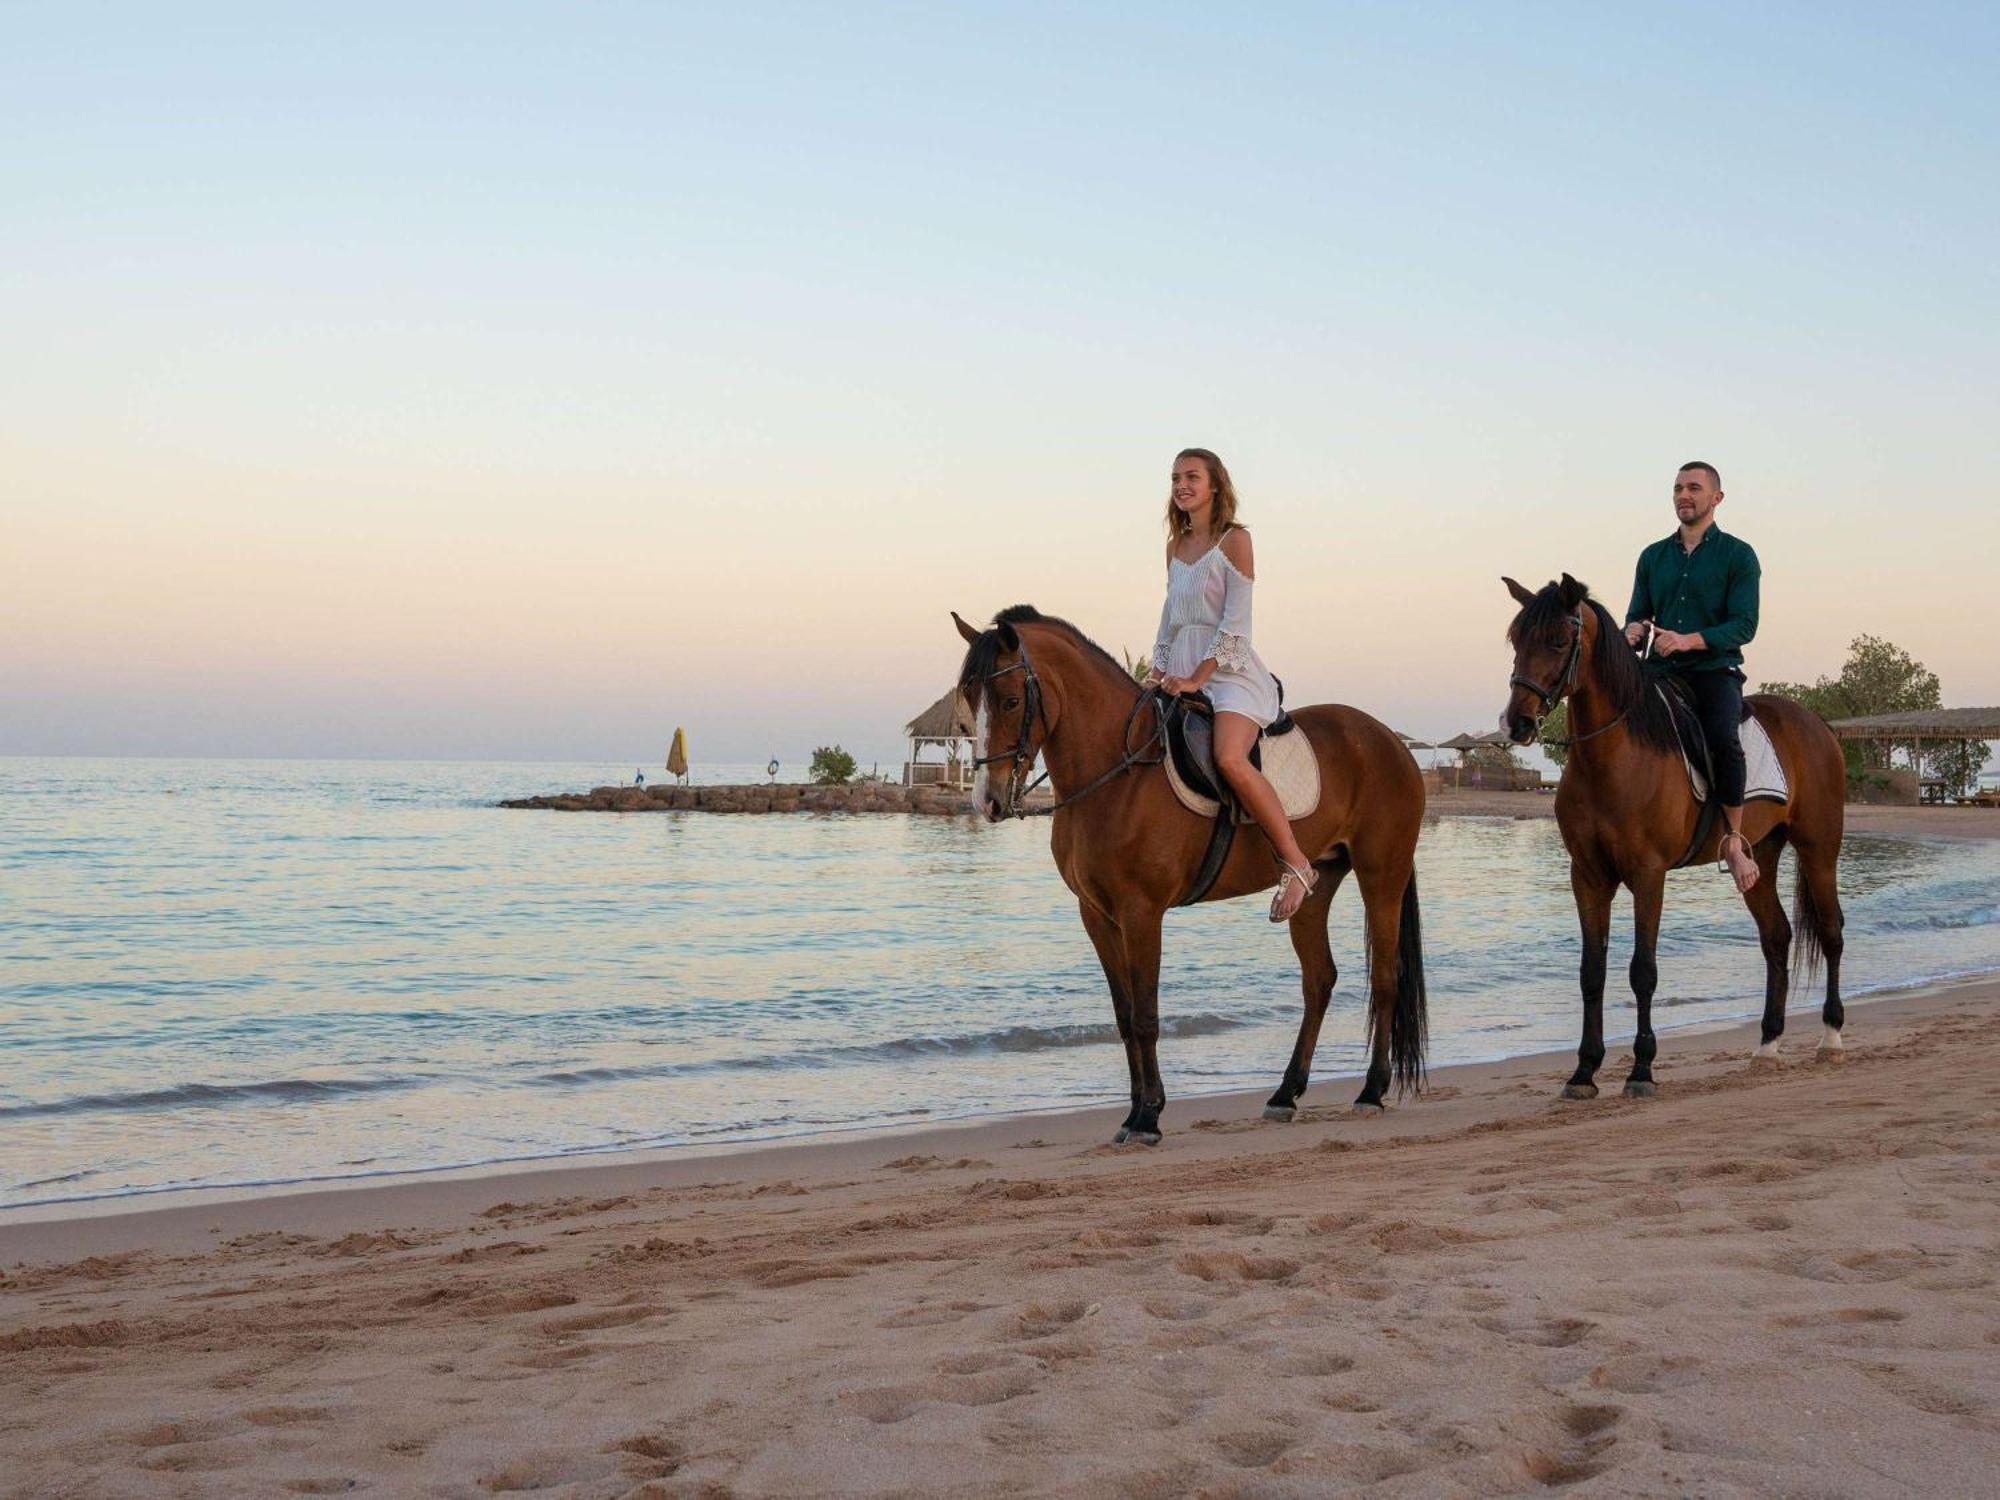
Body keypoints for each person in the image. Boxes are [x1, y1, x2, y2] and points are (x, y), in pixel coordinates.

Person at [1143, 448, 1316, 921]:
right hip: (1181, 668)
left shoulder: (1235, 541)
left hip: (1229, 673)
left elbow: (1236, 625)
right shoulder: (1175, 547)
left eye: (1192, 477)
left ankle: (1296, 862)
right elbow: (1170, 619)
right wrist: (1157, 674)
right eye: (1175, 477)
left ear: (1215, 485)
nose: (1181, 485)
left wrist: (1198, 679)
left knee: (1229, 757)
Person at [1623, 460, 1762, 892]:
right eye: (1679, 488)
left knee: (1722, 737)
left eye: (1695, 488)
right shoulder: (1652, 556)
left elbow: (1744, 625)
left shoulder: (1738, 555)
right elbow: (1637, 614)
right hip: (1658, 671)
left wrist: (1689, 640)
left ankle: (1734, 841)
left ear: (1716, 498)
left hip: (1713, 671)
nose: (1685, 495)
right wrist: (1633, 630)